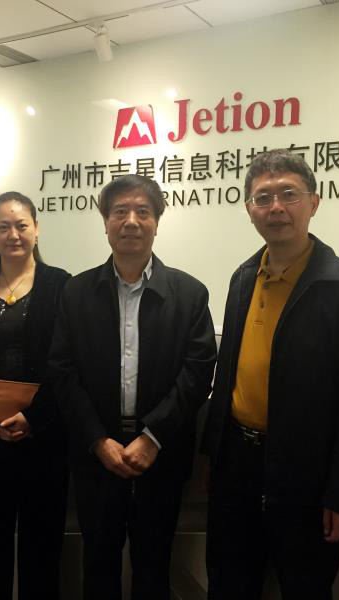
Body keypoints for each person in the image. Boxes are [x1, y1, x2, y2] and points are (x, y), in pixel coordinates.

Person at [202, 148, 339, 600]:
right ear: (249, 209)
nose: (276, 207)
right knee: (229, 583)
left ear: (314, 203)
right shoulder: (244, 277)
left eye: (289, 194)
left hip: (307, 476)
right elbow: (228, 374)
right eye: (263, 197)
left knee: (305, 587)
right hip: (237, 468)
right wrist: (215, 459)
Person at [49, 174, 217, 600]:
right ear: (105, 222)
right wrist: (97, 439)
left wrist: (153, 436)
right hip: (96, 455)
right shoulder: (76, 291)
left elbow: (198, 372)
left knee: (154, 564)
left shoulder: (190, 293)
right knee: (98, 563)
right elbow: (62, 371)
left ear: (157, 222)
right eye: (120, 211)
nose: (131, 221)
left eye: (143, 211)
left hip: (162, 454)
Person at [0, 191, 70, 599]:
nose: (13, 234)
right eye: (3, 226)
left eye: (21, 225)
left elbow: (68, 362)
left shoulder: (62, 285)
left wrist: (35, 418)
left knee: (43, 542)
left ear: (37, 229)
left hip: (46, 437)